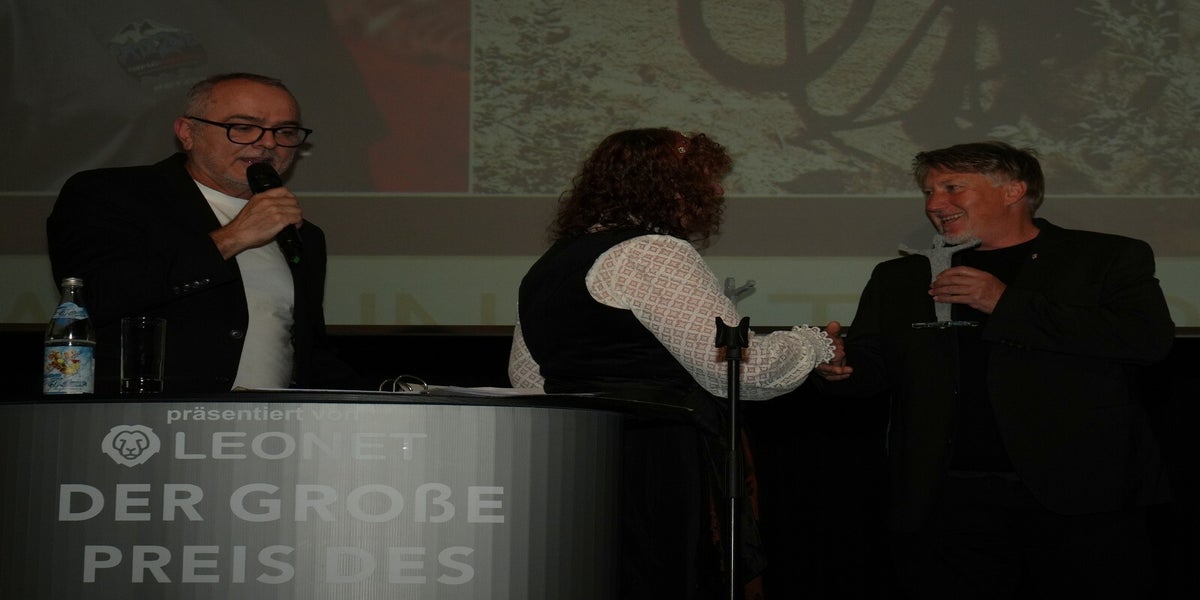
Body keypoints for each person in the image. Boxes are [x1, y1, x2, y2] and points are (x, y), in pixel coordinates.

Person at [814, 141, 1174, 598]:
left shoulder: (1104, 258)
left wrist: (1005, 303)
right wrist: (841, 366)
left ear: (1013, 191)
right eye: (928, 192)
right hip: (946, 499)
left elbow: (1147, 341)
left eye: (952, 188)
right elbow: (874, 366)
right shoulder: (901, 276)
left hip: (1082, 496)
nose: (934, 204)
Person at [508, 127, 838, 599]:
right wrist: (814, 343)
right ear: (666, 185)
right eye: (704, 178)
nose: (717, 191)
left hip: (579, 459)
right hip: (656, 456)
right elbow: (735, 368)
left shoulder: (550, 263)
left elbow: (527, 377)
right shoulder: (653, 251)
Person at [47, 72, 363, 393]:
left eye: (285, 131)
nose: (269, 143)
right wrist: (233, 237)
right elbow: (94, 298)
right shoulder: (111, 194)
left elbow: (309, 352)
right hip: (146, 415)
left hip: (270, 420)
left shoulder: (304, 235)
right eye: (243, 127)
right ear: (187, 132)